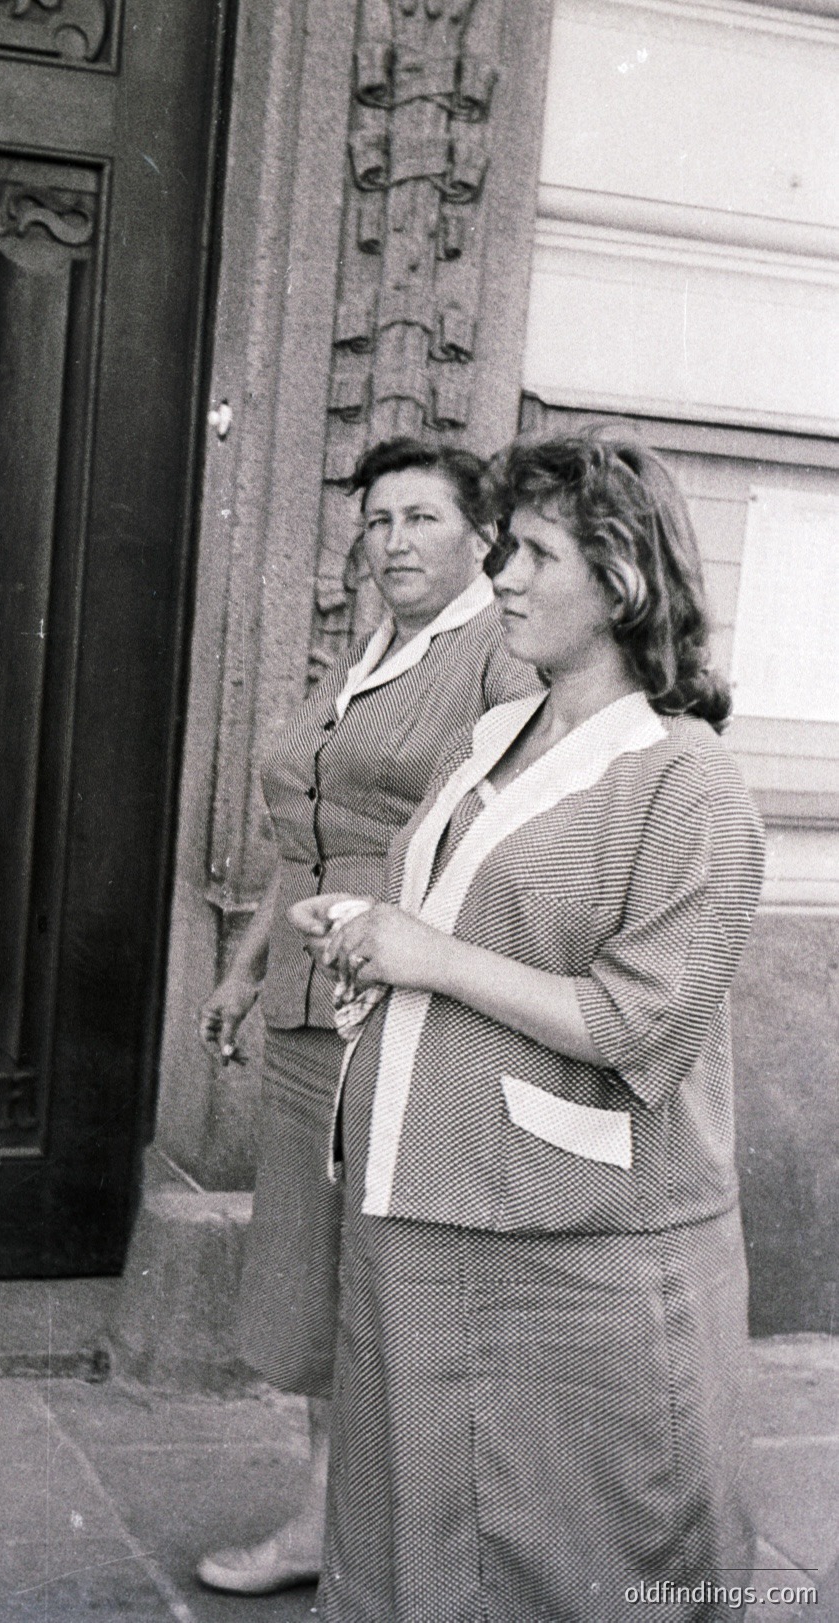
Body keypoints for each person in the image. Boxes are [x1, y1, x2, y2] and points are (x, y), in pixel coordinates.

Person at [293, 429, 766, 1622]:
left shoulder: (687, 782)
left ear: (621, 580)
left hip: (565, 1237)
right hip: (422, 1201)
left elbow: (639, 1022)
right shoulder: (496, 736)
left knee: (562, 1541)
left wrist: (431, 956)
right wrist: (376, 944)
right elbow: (470, 928)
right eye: (501, 545)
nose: (498, 574)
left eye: (535, 551)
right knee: (418, 1526)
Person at [194, 437, 540, 1595]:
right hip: (307, 1011)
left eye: (422, 519)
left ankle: (417, 1544)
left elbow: (511, 844)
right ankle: (321, 1524)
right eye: (378, 520)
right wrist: (246, 971)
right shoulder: (374, 651)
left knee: (391, 1283)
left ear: (482, 538)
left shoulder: (500, 655)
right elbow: (310, 836)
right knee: (311, 1281)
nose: (392, 542)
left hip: (400, 1012)